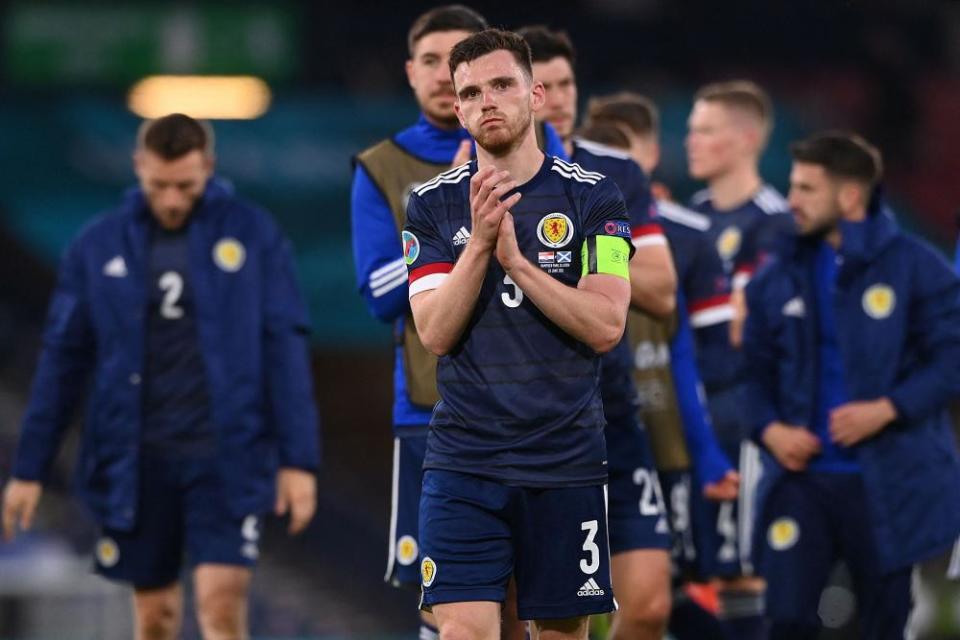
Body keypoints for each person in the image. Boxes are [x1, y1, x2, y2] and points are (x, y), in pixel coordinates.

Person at [1, 114, 320, 640]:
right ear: (138, 169)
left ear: (209, 170)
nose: (172, 199)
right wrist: (31, 468)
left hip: (226, 460)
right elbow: (62, 360)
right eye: (159, 186)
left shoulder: (252, 235)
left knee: (220, 605)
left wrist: (299, 460)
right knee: (156, 618)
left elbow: (284, 347)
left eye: (186, 186)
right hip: (137, 462)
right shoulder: (98, 246)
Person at [405, 28, 632, 640]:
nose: (488, 101)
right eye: (471, 92)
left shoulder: (594, 198)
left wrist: (521, 265)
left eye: (502, 85)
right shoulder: (430, 206)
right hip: (464, 458)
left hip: (565, 458)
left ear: (535, 94)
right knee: (464, 632)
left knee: (561, 634)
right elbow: (434, 333)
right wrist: (480, 245)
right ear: (457, 109)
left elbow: (607, 324)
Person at [349, 7, 564, 638]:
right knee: (446, 605)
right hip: (431, 412)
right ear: (410, 73)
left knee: (541, 601)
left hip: (543, 415)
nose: (447, 77)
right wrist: (449, 224)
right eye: (430, 62)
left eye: (459, 64)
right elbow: (379, 295)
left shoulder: (543, 155)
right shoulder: (382, 168)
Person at [743, 131, 960, 638]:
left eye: (806, 189)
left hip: (884, 477)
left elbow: (952, 360)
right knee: (788, 619)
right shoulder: (775, 277)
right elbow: (753, 374)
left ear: (850, 196)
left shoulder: (916, 267)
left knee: (884, 620)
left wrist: (889, 408)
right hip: (801, 478)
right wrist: (770, 429)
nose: (791, 201)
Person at [517, 26, 676, 640]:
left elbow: (661, 290)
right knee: (526, 618)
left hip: (614, 411)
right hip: (526, 420)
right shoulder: (482, 175)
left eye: (567, 84)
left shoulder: (615, 174)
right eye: (543, 85)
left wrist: (579, 247)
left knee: (649, 606)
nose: (557, 98)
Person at [583, 97, 739, 640]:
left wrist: (710, 452)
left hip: (663, 439)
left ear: (647, 157)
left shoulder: (684, 236)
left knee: (668, 597)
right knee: (572, 598)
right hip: (575, 432)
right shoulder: (561, 211)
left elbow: (692, 353)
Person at [684, 79, 793, 639]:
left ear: (747, 139)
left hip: (742, 416)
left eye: (705, 130)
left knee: (741, 569)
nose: (691, 141)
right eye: (690, 130)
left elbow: (746, 330)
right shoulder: (691, 215)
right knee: (689, 569)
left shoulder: (774, 222)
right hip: (692, 411)